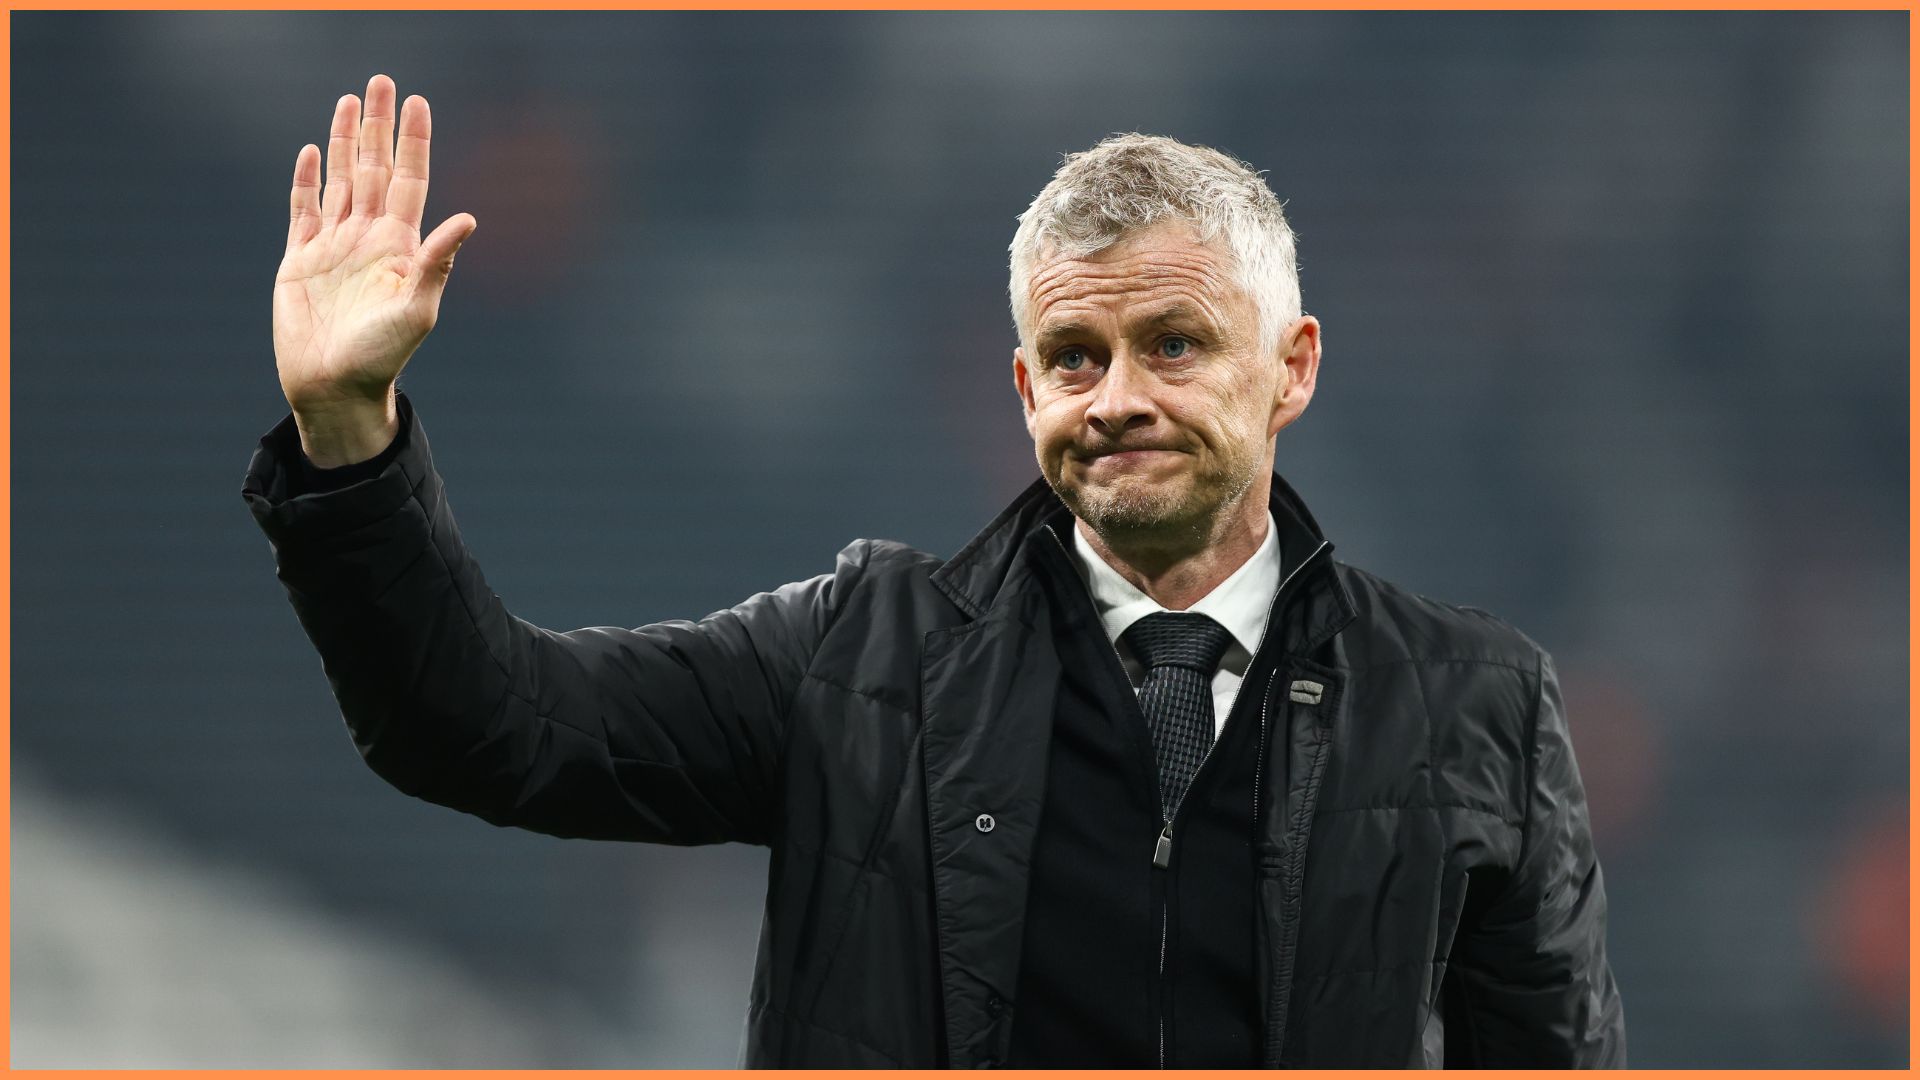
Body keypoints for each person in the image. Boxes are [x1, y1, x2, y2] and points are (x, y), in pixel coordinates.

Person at [244, 74, 1626, 1068]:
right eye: (1077, 359)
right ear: (1024, 388)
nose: (1120, 397)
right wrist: (350, 439)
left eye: (1179, 345)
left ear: (1294, 368)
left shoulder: (1473, 709)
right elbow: (488, 724)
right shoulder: (861, 655)